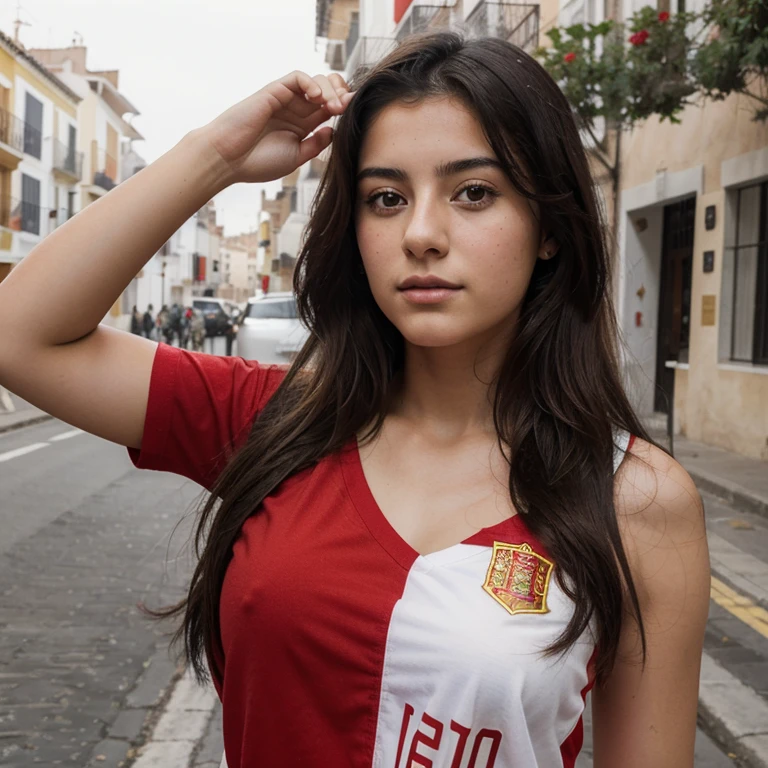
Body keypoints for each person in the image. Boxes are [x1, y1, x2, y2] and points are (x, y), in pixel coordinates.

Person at [0, 33, 709, 768]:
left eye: (474, 192)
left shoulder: (637, 499)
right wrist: (216, 155)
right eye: (386, 198)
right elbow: (20, 336)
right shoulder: (276, 422)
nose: (422, 234)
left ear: (550, 232)